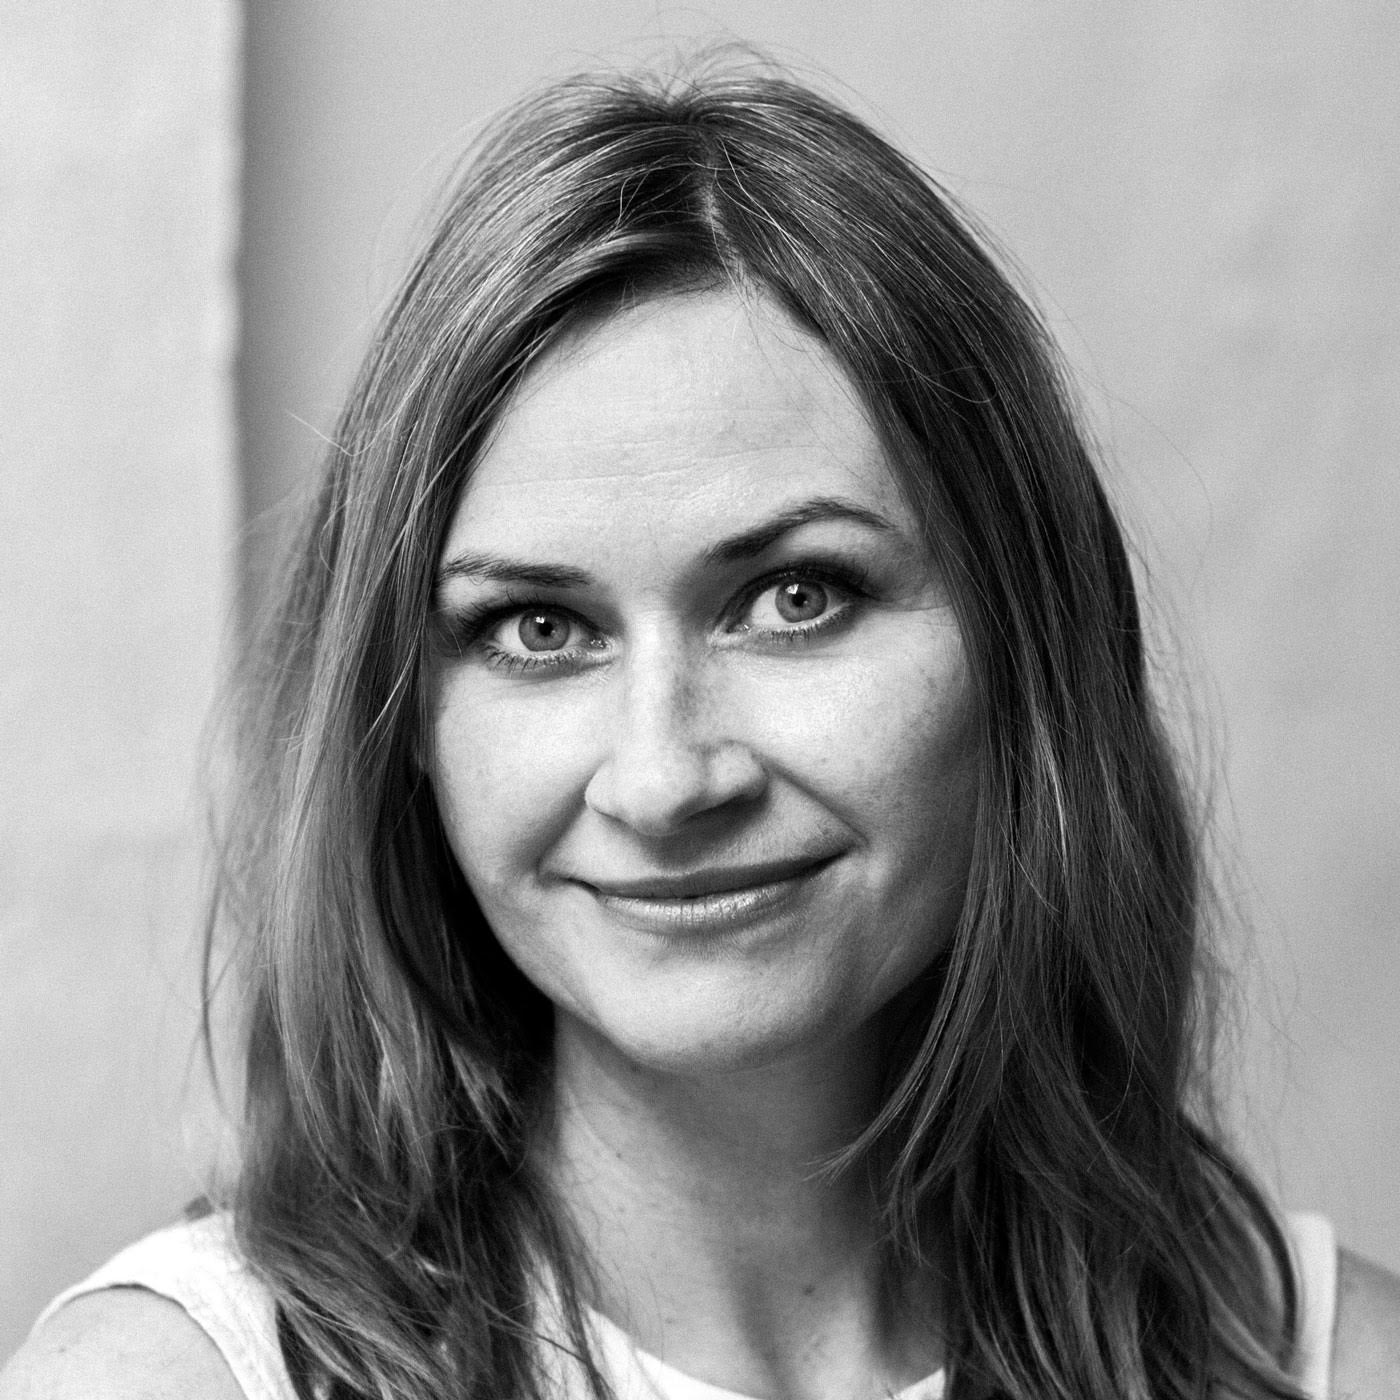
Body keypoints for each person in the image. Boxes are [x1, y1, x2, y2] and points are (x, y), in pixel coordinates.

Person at [4, 59, 1398, 1400]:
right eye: (539, 629)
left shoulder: (1333, 1367)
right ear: (407, 721)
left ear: (1028, 652)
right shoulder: (174, 1381)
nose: (666, 779)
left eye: (797, 598)